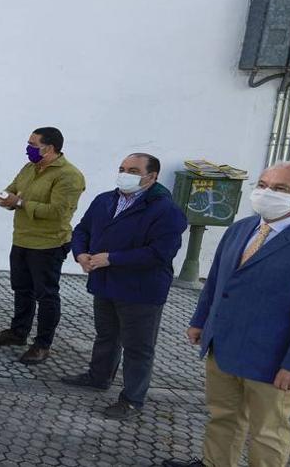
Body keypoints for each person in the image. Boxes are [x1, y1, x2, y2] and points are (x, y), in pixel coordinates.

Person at [162, 162, 290, 467]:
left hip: (273, 363)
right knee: (223, 420)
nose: (266, 193)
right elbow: (217, 281)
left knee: (268, 433)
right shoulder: (241, 229)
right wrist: (200, 321)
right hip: (222, 350)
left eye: (279, 189)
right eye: (262, 184)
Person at [63, 153, 188, 419]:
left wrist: (112, 258)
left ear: (151, 177)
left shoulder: (165, 210)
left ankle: (132, 400)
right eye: (122, 168)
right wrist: (80, 253)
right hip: (105, 283)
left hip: (140, 289)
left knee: (138, 347)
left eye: (133, 170)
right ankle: (99, 376)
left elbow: (160, 252)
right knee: (106, 335)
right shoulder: (105, 200)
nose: (125, 174)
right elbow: (82, 229)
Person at [0, 127, 86, 365]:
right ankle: (18, 332)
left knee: (46, 295)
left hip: (48, 243)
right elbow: (13, 189)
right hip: (22, 238)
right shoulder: (30, 167)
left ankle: (43, 344)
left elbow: (58, 212)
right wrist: (6, 199)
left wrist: (19, 202)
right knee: (22, 289)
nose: (28, 147)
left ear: (50, 148)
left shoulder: (69, 175)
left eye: (33, 144)